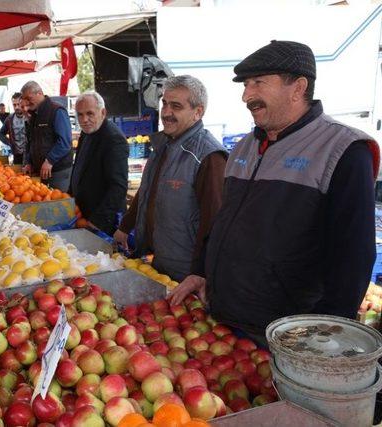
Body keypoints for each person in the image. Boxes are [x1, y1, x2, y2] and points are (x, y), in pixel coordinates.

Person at [169, 41, 380, 343]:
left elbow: (353, 259)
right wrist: (201, 270)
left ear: (298, 88)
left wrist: (321, 339)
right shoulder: (245, 146)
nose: (246, 95)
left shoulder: (343, 151)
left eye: (258, 83)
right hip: (223, 319)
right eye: (245, 85)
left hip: (285, 334)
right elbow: (223, 221)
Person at [114, 75, 227, 282]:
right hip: (159, 260)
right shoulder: (164, 144)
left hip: (186, 270)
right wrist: (125, 226)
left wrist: (200, 272)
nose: (166, 112)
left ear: (197, 112)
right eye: (164, 103)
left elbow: (214, 222)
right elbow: (147, 190)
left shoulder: (208, 156)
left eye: (176, 106)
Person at [69, 91, 128, 235]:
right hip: (83, 213)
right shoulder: (86, 132)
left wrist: (98, 221)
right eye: (80, 114)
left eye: (90, 113)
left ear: (103, 112)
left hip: (102, 221)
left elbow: (118, 186)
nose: (84, 119)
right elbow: (78, 167)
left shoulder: (113, 139)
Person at [20, 81, 73, 190]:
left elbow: (65, 142)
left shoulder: (57, 111)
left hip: (58, 171)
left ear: (39, 93)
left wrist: (49, 160)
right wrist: (29, 162)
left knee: (59, 203)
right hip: (42, 171)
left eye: (28, 98)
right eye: (24, 99)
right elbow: (32, 141)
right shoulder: (34, 115)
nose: (26, 102)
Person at [0, 92, 28, 165]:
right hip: (17, 155)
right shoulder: (10, 118)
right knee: (18, 175)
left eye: (18, 104)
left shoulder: (29, 116)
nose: (17, 107)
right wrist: (9, 143)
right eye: (14, 105)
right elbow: (0, 134)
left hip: (29, 155)